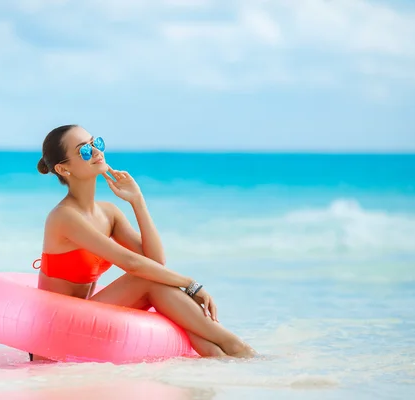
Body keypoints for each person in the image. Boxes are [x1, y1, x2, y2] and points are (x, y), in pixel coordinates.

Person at [30, 124, 256, 362]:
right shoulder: (64, 217)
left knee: (162, 290)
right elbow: (133, 264)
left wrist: (137, 201)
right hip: (56, 334)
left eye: (96, 143)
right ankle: (237, 347)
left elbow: (156, 261)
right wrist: (191, 284)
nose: (96, 151)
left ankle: (222, 356)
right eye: (84, 150)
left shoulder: (108, 213)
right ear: (63, 168)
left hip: (85, 320)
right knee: (145, 278)